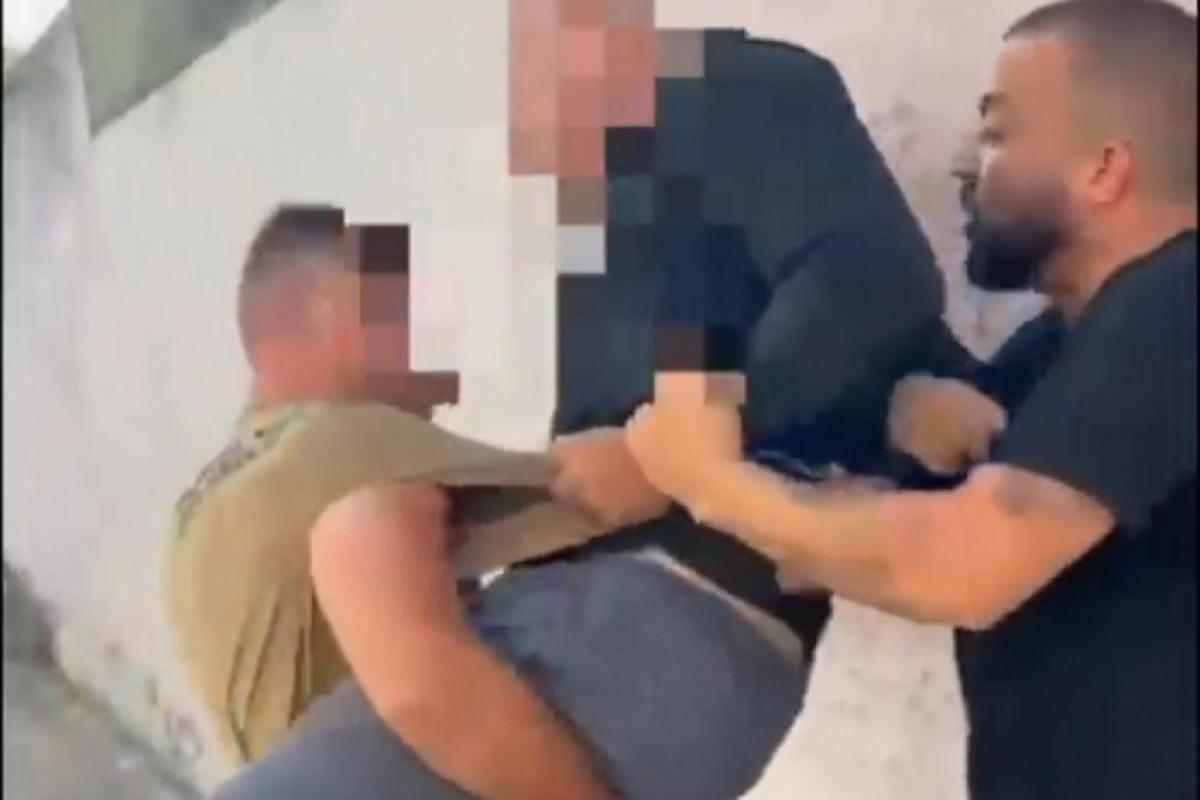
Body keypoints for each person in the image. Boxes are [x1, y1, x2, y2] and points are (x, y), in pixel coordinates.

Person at [213, 0, 981, 795]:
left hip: (662, 600)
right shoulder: (618, 188)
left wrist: (662, 459)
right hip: (593, 610)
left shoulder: (724, 86)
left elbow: (872, 283)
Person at [624, 3, 1197, 799]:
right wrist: (895, 430)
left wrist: (711, 483)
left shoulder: (1179, 301)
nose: (964, 164)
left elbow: (964, 565)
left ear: (1104, 170)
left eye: (996, 133)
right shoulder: (1051, 351)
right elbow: (864, 548)